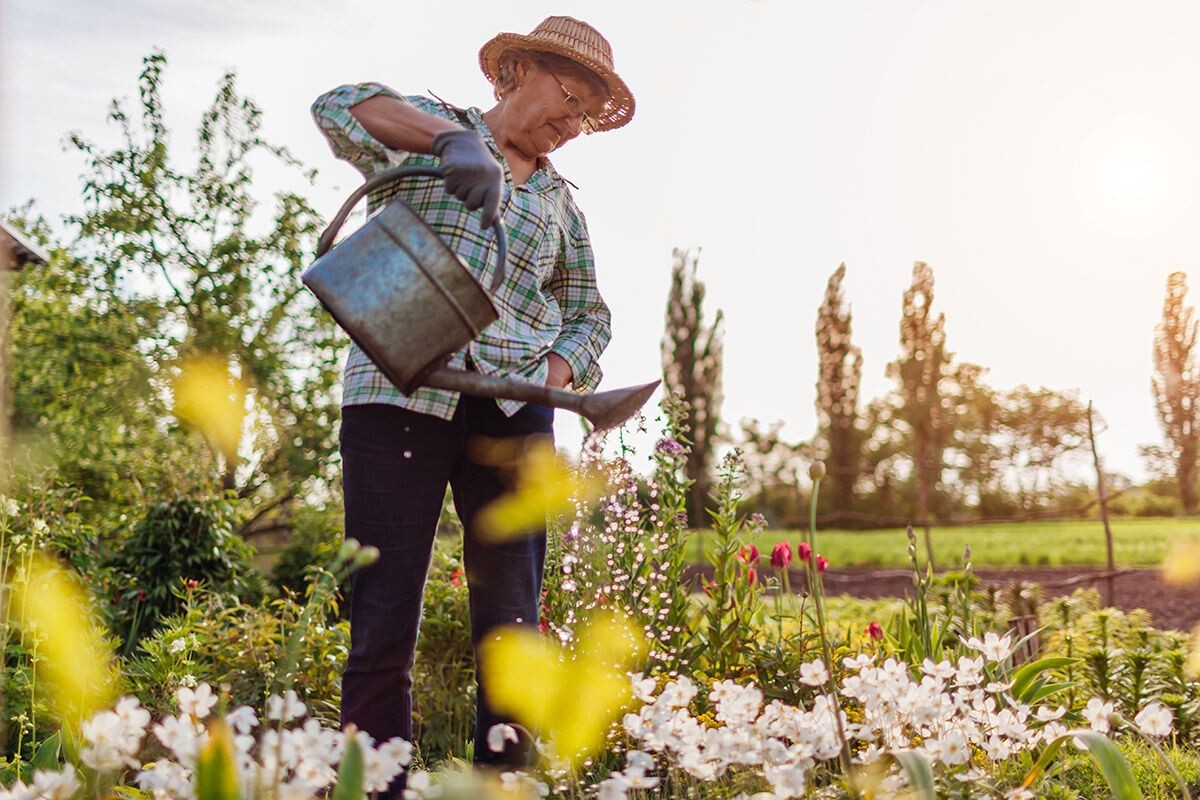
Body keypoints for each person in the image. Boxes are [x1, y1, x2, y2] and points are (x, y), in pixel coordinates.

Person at [310, 14, 634, 790]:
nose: (575, 119)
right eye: (570, 94)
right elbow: (338, 103)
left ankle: (504, 784)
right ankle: (374, 782)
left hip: (514, 415)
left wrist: (553, 374)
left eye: (590, 112)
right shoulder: (433, 131)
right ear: (519, 70)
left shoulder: (562, 205)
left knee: (513, 622)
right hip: (399, 392)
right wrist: (448, 145)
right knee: (382, 615)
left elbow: (590, 314)